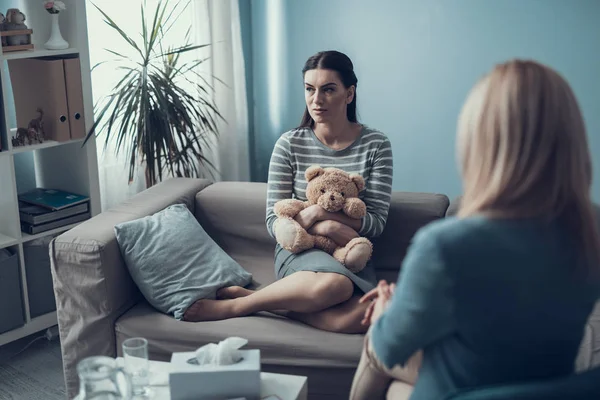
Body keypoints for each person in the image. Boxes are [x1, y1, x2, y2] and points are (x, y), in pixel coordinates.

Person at [350, 59, 600, 400]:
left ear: (482, 143)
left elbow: (389, 346)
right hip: (544, 389)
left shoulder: (447, 247)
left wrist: (386, 309)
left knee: (375, 352)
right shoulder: (590, 230)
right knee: (397, 388)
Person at [183, 50, 394, 333]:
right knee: (338, 285)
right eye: (310, 89)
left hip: (352, 250)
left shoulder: (377, 145)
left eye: (328, 89)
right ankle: (235, 307)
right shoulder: (288, 145)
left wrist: (325, 216)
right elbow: (274, 222)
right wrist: (319, 224)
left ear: (349, 94)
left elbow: (377, 223)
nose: (316, 100)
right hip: (300, 248)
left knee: (364, 315)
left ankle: (265, 302)